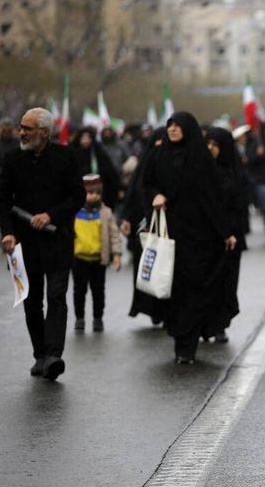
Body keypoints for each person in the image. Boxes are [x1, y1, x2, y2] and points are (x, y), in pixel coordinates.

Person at [0, 107, 86, 380]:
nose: (21, 132)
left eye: (28, 128)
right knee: (32, 301)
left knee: (57, 297)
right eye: (21, 127)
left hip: (57, 239)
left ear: (45, 133)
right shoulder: (12, 159)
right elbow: (4, 201)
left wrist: (51, 215)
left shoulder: (66, 157)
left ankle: (53, 355)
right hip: (25, 243)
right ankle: (40, 354)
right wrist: (9, 233)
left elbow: (77, 196)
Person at [144, 111, 229, 364]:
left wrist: (224, 232)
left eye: (177, 125)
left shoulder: (202, 160)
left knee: (195, 288)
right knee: (175, 289)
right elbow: (146, 183)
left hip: (200, 237)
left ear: (188, 129)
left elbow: (214, 199)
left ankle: (188, 345)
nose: (171, 129)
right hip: (170, 232)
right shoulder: (158, 156)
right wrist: (155, 195)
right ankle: (180, 339)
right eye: (169, 124)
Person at [204, 128, 247, 343]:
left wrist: (230, 231)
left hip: (231, 238)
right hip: (206, 237)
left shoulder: (234, 172)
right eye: (208, 144)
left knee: (226, 283)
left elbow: (239, 206)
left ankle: (220, 324)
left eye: (215, 145)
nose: (210, 149)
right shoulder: (199, 171)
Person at [122, 127, 168, 325]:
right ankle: (151, 308)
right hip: (143, 223)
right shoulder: (144, 167)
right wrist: (126, 218)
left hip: (166, 222)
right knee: (148, 266)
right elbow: (133, 193)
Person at [72, 175, 122, 333]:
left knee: (98, 291)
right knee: (79, 290)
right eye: (89, 192)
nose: (94, 196)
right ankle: (79, 318)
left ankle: (97, 318)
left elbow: (114, 234)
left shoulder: (106, 213)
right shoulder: (75, 212)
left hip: (99, 260)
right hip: (79, 259)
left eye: (97, 193)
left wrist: (117, 255)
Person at [70, 127, 121, 209]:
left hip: (96, 192)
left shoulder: (98, 153)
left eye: (88, 137)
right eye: (83, 137)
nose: (85, 140)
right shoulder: (72, 153)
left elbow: (109, 172)